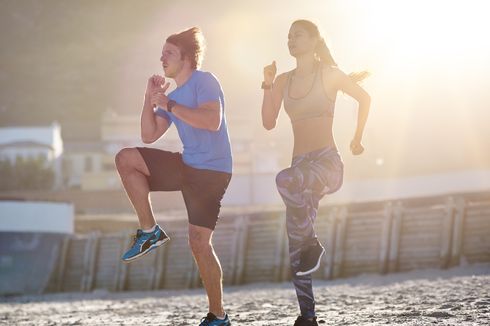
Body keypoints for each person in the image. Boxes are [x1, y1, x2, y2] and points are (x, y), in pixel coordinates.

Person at [115, 27, 233, 326]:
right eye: (162, 52)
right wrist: (149, 98)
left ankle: (217, 316)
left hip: (213, 171)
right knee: (126, 159)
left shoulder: (204, 81)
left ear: (187, 57)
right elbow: (149, 134)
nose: (161, 58)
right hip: (187, 165)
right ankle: (149, 230)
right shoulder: (174, 95)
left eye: (168, 53)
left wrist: (168, 104)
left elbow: (212, 121)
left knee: (199, 243)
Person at [261, 19, 371, 326]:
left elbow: (364, 98)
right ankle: (307, 316)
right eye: (288, 36)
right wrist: (268, 83)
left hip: (326, 165)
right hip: (300, 170)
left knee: (284, 180)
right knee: (295, 243)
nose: (291, 40)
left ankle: (311, 241)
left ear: (314, 40)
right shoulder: (283, 80)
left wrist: (357, 138)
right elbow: (268, 122)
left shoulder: (329, 74)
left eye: (298, 35)